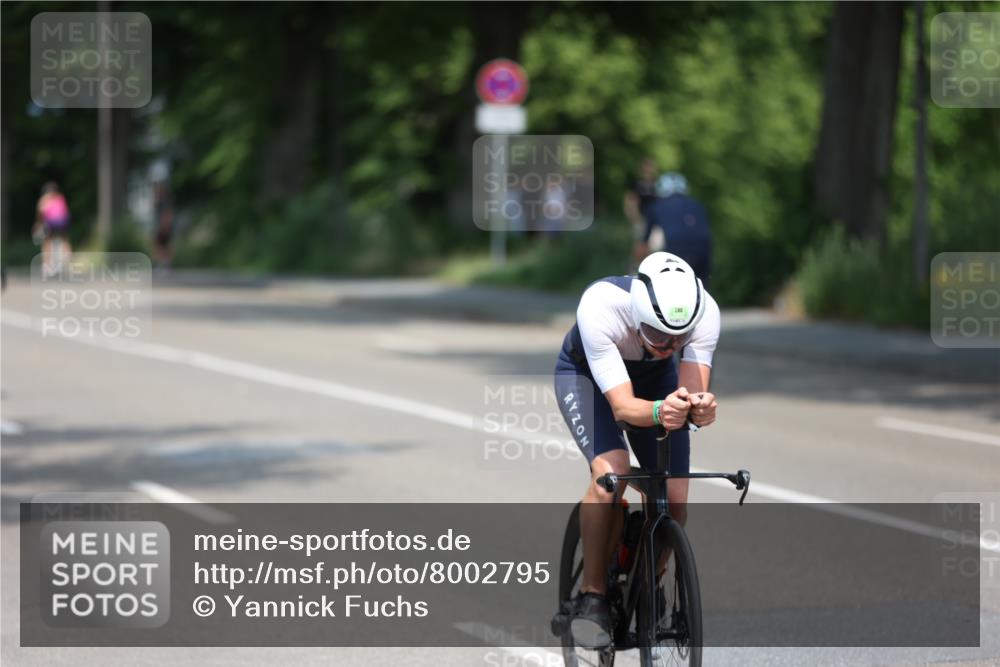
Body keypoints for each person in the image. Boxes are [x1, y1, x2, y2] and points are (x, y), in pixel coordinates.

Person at [554, 252, 720, 647]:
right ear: (637, 314)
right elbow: (625, 408)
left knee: (674, 501)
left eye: (680, 339)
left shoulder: (705, 311)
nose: (670, 346)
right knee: (611, 476)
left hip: (653, 382)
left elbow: (691, 393)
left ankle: (649, 582)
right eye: (659, 336)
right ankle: (593, 596)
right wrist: (666, 410)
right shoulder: (600, 306)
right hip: (588, 379)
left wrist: (700, 407)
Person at [634, 172, 713, 287]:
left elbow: (644, 242)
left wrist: (637, 264)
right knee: (701, 285)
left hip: (676, 250)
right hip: (704, 249)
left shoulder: (655, 206)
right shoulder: (698, 205)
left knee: (672, 286)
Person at [623, 158, 659, 268]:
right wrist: (633, 216)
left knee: (655, 246)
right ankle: (636, 267)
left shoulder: (656, 184)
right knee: (640, 244)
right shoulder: (637, 184)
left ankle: (652, 267)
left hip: (655, 220)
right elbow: (630, 200)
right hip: (641, 218)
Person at [33, 181, 72, 276]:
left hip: (51, 223)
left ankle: (46, 266)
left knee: (47, 242)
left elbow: (41, 214)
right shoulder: (60, 198)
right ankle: (69, 263)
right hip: (63, 223)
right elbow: (65, 212)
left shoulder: (44, 199)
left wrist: (38, 224)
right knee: (64, 241)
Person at [152, 180, 175, 269]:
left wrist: (165, 226)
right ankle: (165, 263)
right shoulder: (159, 201)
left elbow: (168, 214)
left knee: (163, 245)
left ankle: (166, 264)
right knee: (161, 245)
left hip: (164, 226)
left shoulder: (165, 202)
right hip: (161, 226)